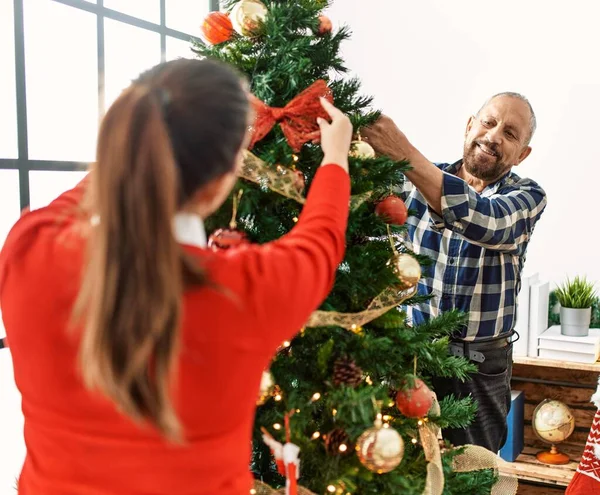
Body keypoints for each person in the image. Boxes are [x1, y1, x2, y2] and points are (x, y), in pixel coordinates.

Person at [0, 58, 353, 495]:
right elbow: (319, 244)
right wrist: (336, 156)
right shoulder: (248, 291)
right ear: (223, 181)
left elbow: (82, 197)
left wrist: (136, 145)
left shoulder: (27, 248)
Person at [362, 92, 547, 453]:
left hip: (479, 367)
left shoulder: (527, 197)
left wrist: (403, 152)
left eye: (510, 134)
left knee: (472, 471)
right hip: (411, 354)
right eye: (488, 122)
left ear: (522, 154)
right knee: (401, 465)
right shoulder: (408, 182)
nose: (493, 136)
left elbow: (486, 221)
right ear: (469, 126)